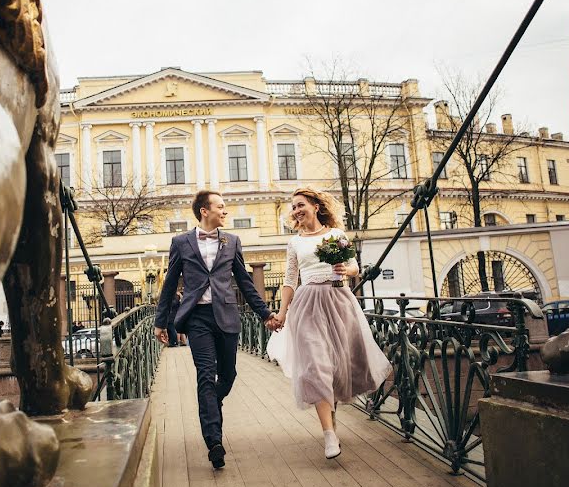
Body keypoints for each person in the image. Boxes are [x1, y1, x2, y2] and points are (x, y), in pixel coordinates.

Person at [154, 190, 279, 469]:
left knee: (228, 374)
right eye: (220, 207)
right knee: (205, 376)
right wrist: (160, 321)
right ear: (204, 211)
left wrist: (265, 313)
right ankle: (214, 442)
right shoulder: (181, 242)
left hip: (226, 316)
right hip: (197, 318)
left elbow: (245, 282)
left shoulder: (232, 241)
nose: (225, 211)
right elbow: (170, 283)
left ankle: (210, 403)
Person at [267, 188, 392, 459]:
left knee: (337, 366)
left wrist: (347, 270)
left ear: (315, 205)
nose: (297, 210)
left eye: (301, 205)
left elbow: (355, 267)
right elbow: (290, 281)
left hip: (338, 300)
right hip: (308, 304)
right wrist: (282, 314)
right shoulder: (295, 243)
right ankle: (329, 435)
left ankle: (330, 417)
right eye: (293, 207)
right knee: (316, 365)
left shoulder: (336, 235)